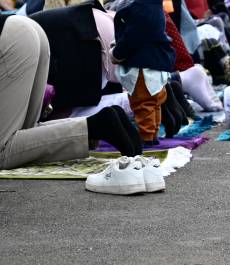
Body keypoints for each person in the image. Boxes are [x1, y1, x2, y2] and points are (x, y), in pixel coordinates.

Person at [0, 14, 142, 171]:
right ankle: (103, 121)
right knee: (25, 135)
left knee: (3, 150)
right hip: (27, 28)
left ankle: (95, 127)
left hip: (15, 38)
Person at [111, 0, 176, 145]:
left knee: (143, 102)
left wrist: (117, 53)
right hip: (155, 63)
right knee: (153, 101)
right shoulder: (155, 4)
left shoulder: (142, 10)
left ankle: (146, 136)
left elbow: (132, 39)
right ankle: (153, 131)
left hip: (143, 66)